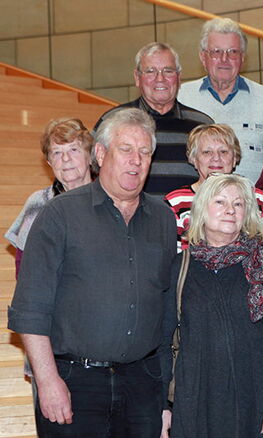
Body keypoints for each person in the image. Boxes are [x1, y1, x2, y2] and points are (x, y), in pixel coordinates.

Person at [7, 108, 176, 437]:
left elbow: (168, 310)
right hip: (73, 383)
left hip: (143, 385)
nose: (136, 161)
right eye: (125, 150)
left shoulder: (163, 218)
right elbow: (30, 309)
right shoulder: (59, 214)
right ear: (100, 153)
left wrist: (166, 394)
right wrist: (47, 381)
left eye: (145, 153)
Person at [161, 173, 263, 438]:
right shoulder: (182, 266)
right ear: (201, 210)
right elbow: (163, 343)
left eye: (238, 204)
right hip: (195, 400)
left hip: (255, 400)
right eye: (220, 202)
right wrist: (163, 406)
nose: (230, 210)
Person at [178, 17, 263, 184]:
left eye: (232, 52)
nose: (224, 59)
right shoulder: (181, 97)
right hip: (194, 207)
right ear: (203, 57)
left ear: (242, 58)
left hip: (255, 206)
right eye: (216, 51)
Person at [95, 42, 213, 198]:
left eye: (168, 71)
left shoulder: (202, 125)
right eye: (151, 71)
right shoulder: (111, 121)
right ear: (137, 78)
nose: (160, 78)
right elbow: (92, 174)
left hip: (189, 220)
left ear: (179, 77)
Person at [164, 124, 263, 253]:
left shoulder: (259, 199)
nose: (216, 158)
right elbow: (169, 254)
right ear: (194, 160)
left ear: (235, 158)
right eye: (207, 152)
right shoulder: (175, 201)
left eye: (223, 152)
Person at [6, 118, 95, 276]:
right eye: (57, 153)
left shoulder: (111, 200)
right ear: (49, 162)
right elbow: (24, 267)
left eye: (74, 150)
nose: (66, 159)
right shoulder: (39, 203)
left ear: (89, 156)